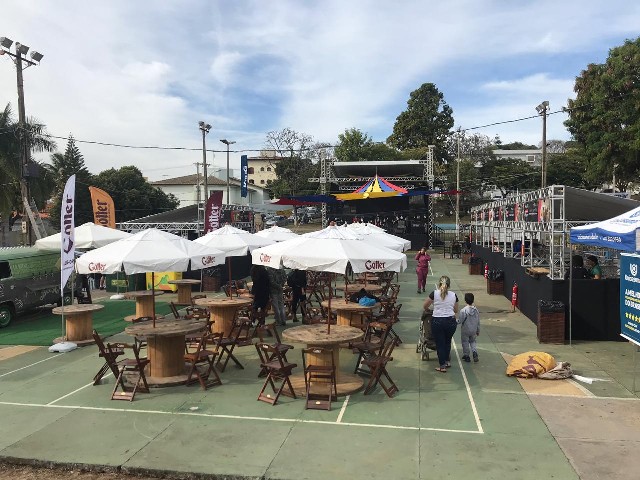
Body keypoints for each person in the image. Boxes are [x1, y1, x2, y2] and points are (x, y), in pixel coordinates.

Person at [423, 275, 459, 373]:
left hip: (438, 321)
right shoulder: (454, 295)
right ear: (449, 285)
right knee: (447, 342)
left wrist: (428, 309)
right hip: (451, 321)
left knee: (440, 344)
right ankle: (447, 361)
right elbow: (456, 310)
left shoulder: (434, 294)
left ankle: (442, 366)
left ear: (439, 284)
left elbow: (425, 305)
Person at [458, 293, 480, 363]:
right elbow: (478, 321)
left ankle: (466, 356)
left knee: (465, 342)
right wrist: (478, 330)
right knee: (473, 341)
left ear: (465, 300)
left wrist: (454, 321)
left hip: (465, 330)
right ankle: (474, 352)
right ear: (473, 300)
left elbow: (460, 321)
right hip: (473, 329)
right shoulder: (476, 310)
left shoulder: (463, 311)